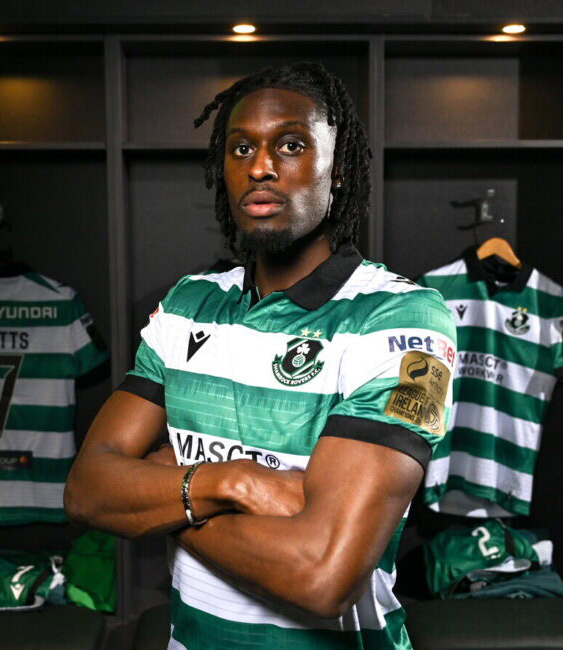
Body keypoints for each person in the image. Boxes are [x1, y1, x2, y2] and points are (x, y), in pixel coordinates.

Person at [64, 62, 457, 649]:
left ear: (339, 169)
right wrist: (236, 481)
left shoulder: (402, 319)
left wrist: (165, 494)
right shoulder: (187, 305)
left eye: (291, 144)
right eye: (240, 147)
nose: (261, 166)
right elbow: (88, 490)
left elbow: (322, 574)